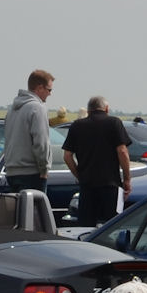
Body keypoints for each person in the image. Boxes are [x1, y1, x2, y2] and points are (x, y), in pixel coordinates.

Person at [62, 94, 133, 231]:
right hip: (110, 184)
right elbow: (122, 151)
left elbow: (67, 156)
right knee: (112, 227)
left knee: (85, 228)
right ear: (106, 108)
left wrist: (79, 175)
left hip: (87, 185)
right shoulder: (114, 123)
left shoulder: (77, 125)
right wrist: (127, 179)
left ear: (88, 111)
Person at [3, 69, 54, 194]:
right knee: (35, 212)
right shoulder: (38, 108)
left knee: (18, 212)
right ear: (40, 88)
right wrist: (44, 169)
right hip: (31, 173)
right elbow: (41, 142)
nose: (50, 94)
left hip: (12, 172)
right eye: (49, 90)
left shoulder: (12, 110)